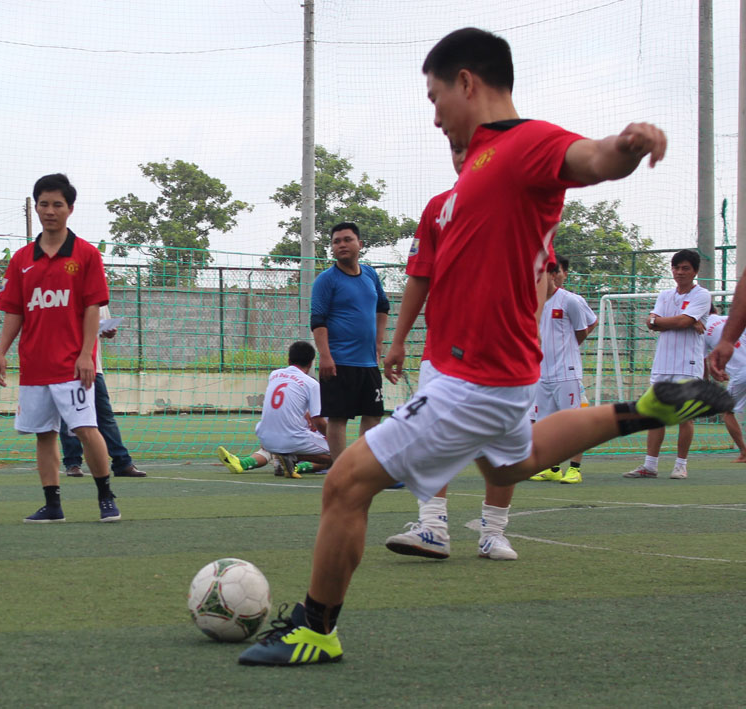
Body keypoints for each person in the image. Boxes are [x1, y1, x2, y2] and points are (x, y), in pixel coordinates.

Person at [238, 27, 731, 667]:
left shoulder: (524, 144)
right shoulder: (474, 166)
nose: (435, 114)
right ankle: (644, 410)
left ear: (467, 82)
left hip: (477, 379)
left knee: (346, 483)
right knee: (511, 464)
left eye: (435, 96)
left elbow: (589, 158)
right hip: (484, 372)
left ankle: (315, 631)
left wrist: (626, 147)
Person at [382, 140, 521, 561]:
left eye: (470, 147)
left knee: (501, 442)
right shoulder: (437, 208)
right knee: (429, 437)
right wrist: (399, 340)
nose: (461, 155)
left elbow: (539, 274)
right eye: (456, 148)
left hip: (503, 350)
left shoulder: (520, 205)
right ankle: (432, 528)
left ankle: (493, 532)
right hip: (442, 350)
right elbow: (419, 276)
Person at [0, 173, 121, 523]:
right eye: (44, 204)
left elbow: (93, 308)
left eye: (57, 204)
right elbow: (15, 311)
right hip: (34, 364)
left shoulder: (87, 254)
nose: (50, 211)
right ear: (36, 207)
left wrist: (86, 354)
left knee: (86, 429)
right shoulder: (21, 259)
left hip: (72, 364)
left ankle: (106, 497)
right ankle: (53, 505)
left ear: (70, 209)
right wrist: (1, 352)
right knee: (44, 434)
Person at [623, 250, 711, 480]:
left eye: (685, 268)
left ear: (695, 271)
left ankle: (681, 465)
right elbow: (651, 322)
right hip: (662, 363)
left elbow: (682, 321)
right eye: (676, 268)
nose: (680, 272)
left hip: (687, 364)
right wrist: (673, 322)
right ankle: (650, 465)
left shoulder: (702, 295)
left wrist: (669, 322)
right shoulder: (664, 295)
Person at [310, 222, 390, 462]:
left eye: (347, 240)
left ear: (360, 244)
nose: (341, 245)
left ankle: (362, 466)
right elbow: (317, 320)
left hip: (368, 363)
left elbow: (383, 307)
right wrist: (325, 356)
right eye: (336, 242)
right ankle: (339, 470)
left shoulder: (370, 274)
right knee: (338, 417)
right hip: (339, 362)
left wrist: (379, 343)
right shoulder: (326, 280)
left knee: (373, 415)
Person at [216, 341, 333, 479]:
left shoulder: (274, 375)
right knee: (337, 454)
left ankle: (245, 463)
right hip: (295, 443)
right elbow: (318, 421)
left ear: (288, 360)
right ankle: (293, 460)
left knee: (272, 449)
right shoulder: (312, 386)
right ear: (311, 363)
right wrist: (333, 438)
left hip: (266, 439)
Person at [528, 255, 598, 483]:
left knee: (573, 422)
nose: (544, 277)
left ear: (557, 274)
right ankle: (553, 467)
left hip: (566, 372)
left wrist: (568, 349)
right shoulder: (533, 301)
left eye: (551, 272)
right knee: (545, 424)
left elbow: (584, 328)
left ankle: (575, 469)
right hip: (541, 373)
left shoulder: (570, 301)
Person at [59, 304, 147, 478]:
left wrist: (108, 331)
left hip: (93, 367)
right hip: (66, 366)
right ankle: (73, 463)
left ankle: (122, 463)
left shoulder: (99, 301)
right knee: (69, 417)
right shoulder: (63, 296)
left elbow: (101, 328)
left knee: (105, 416)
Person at [702, 306, 746, 461]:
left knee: (727, 411)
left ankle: (744, 452)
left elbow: (703, 360)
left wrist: (706, 383)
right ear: (715, 311)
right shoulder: (731, 321)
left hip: (741, 373)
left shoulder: (703, 329)